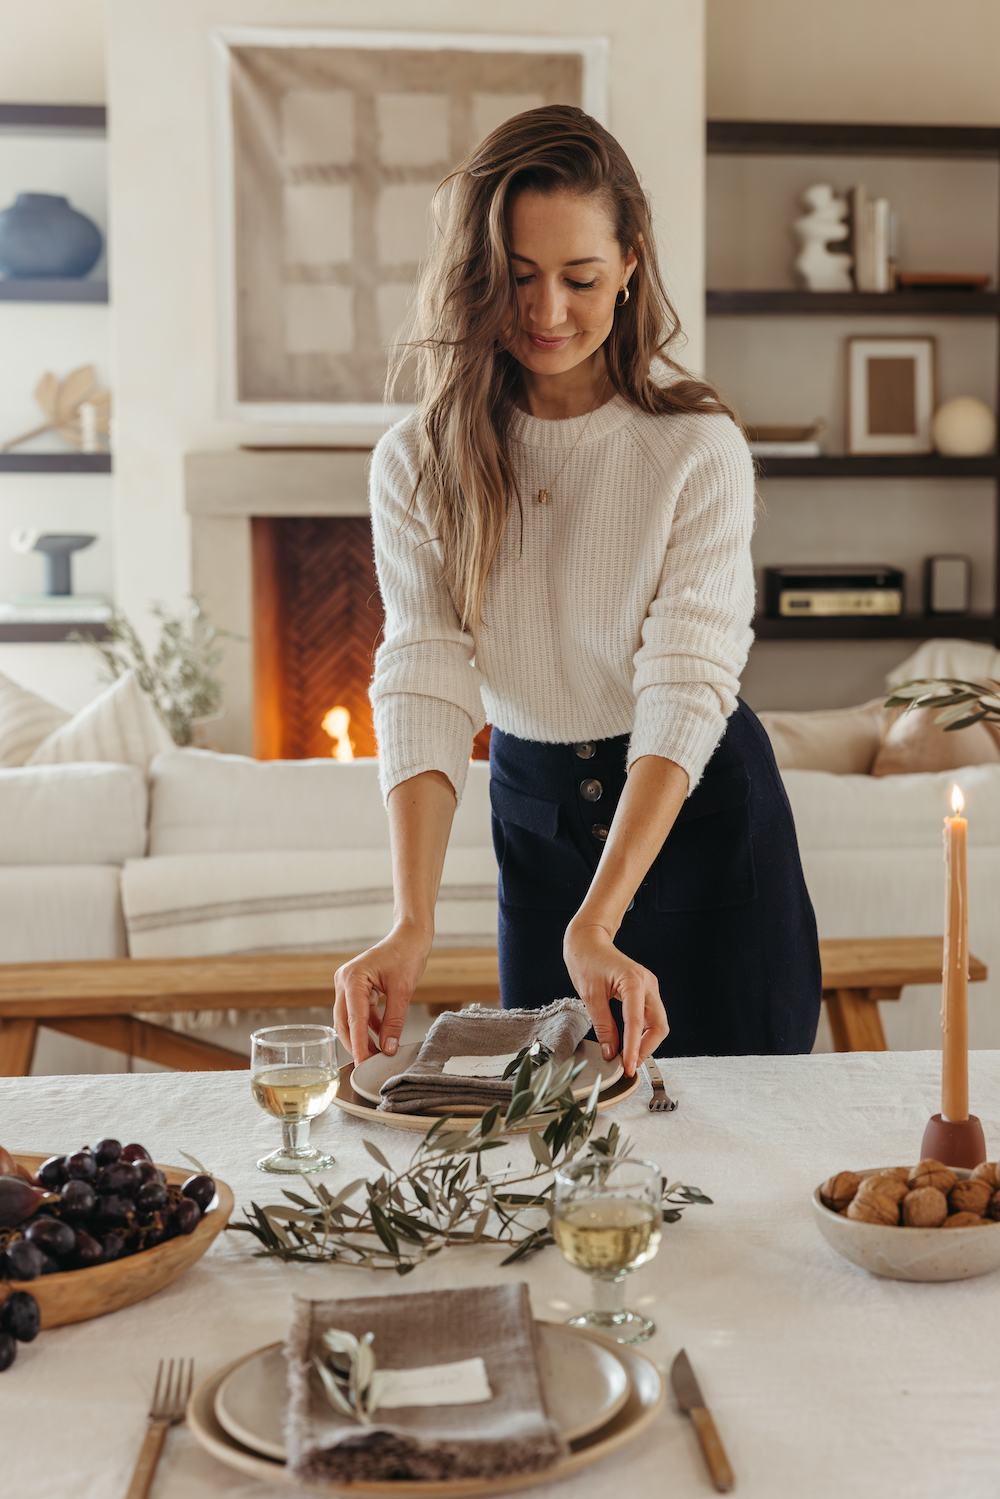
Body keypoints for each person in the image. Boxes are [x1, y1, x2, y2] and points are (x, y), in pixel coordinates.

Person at [334, 105, 821, 1076]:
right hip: (538, 820)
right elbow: (425, 673)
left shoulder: (694, 448)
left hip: (696, 811)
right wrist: (411, 921)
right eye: (516, 278)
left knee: (743, 1135)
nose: (548, 310)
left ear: (630, 263)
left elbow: (685, 682)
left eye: (580, 277)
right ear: (473, 278)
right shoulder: (416, 461)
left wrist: (598, 919)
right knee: (559, 1138)